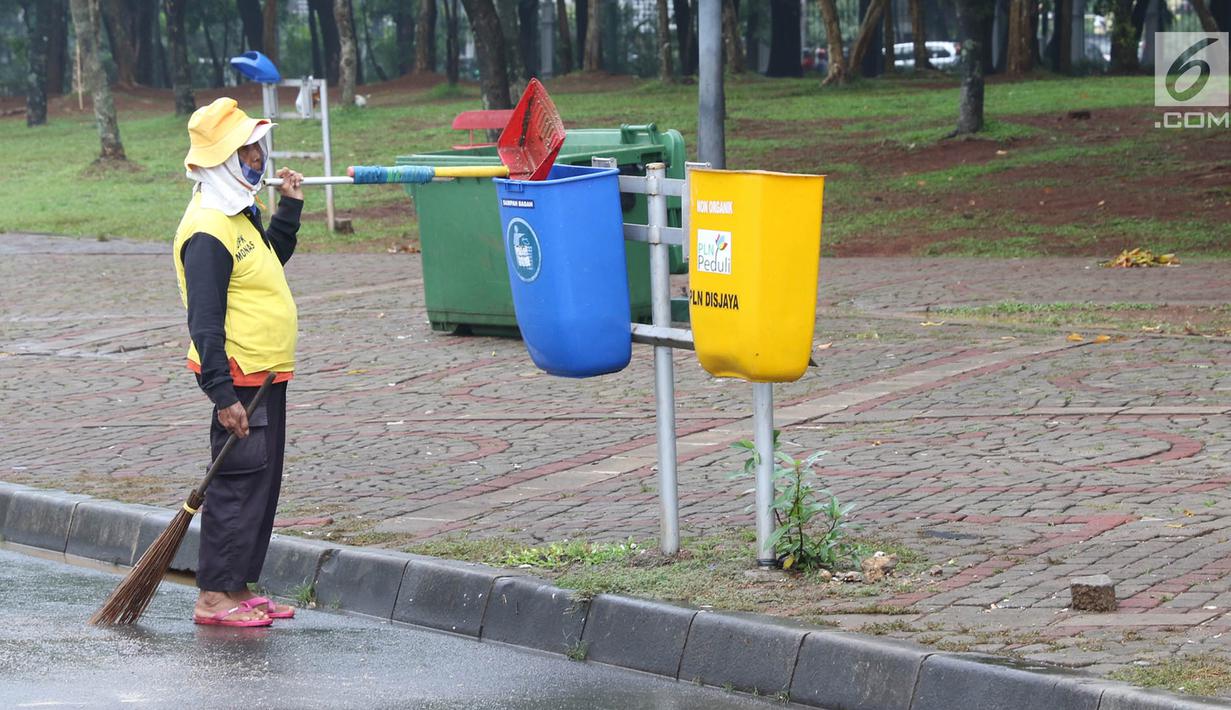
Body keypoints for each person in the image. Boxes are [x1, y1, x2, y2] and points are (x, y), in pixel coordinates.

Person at [172, 97, 305, 627]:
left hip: (266, 373)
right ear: (222, 159)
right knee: (236, 485)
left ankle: (238, 586)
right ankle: (213, 597)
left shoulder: (238, 210)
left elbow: (268, 262)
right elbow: (204, 323)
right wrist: (222, 395)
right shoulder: (207, 229)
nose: (257, 158)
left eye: (257, 147)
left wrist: (288, 208)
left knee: (261, 484)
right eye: (246, 149)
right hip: (239, 377)